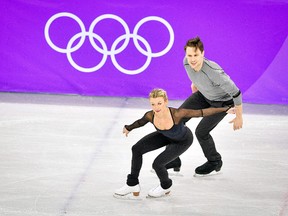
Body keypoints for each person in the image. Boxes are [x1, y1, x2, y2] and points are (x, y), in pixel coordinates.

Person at [114, 88, 234, 199]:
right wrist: (129, 128)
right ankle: (132, 184)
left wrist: (225, 109)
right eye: (153, 104)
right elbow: (140, 122)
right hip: (165, 136)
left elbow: (202, 112)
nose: (156, 107)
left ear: (166, 101)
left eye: (159, 103)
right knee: (136, 149)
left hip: (183, 141)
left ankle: (166, 186)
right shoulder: (150, 115)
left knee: (157, 164)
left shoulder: (177, 114)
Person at [166, 36, 243, 176]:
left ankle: (215, 162)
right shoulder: (186, 63)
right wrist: (196, 84)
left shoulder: (213, 71)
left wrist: (239, 116)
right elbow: (196, 76)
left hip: (222, 102)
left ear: (203, 53)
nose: (192, 59)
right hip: (204, 95)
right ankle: (173, 159)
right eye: (189, 55)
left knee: (201, 132)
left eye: (196, 55)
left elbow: (236, 93)